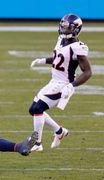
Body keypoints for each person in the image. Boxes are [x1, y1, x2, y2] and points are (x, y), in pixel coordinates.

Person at [29, 14, 92, 151]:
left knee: (38, 109)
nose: (64, 29)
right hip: (53, 82)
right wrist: (43, 60)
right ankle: (59, 131)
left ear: (76, 29)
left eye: (68, 27)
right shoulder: (61, 40)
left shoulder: (78, 47)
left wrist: (72, 85)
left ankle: (37, 143)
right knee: (32, 109)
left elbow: (88, 72)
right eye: (63, 26)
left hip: (63, 85)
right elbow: (59, 58)